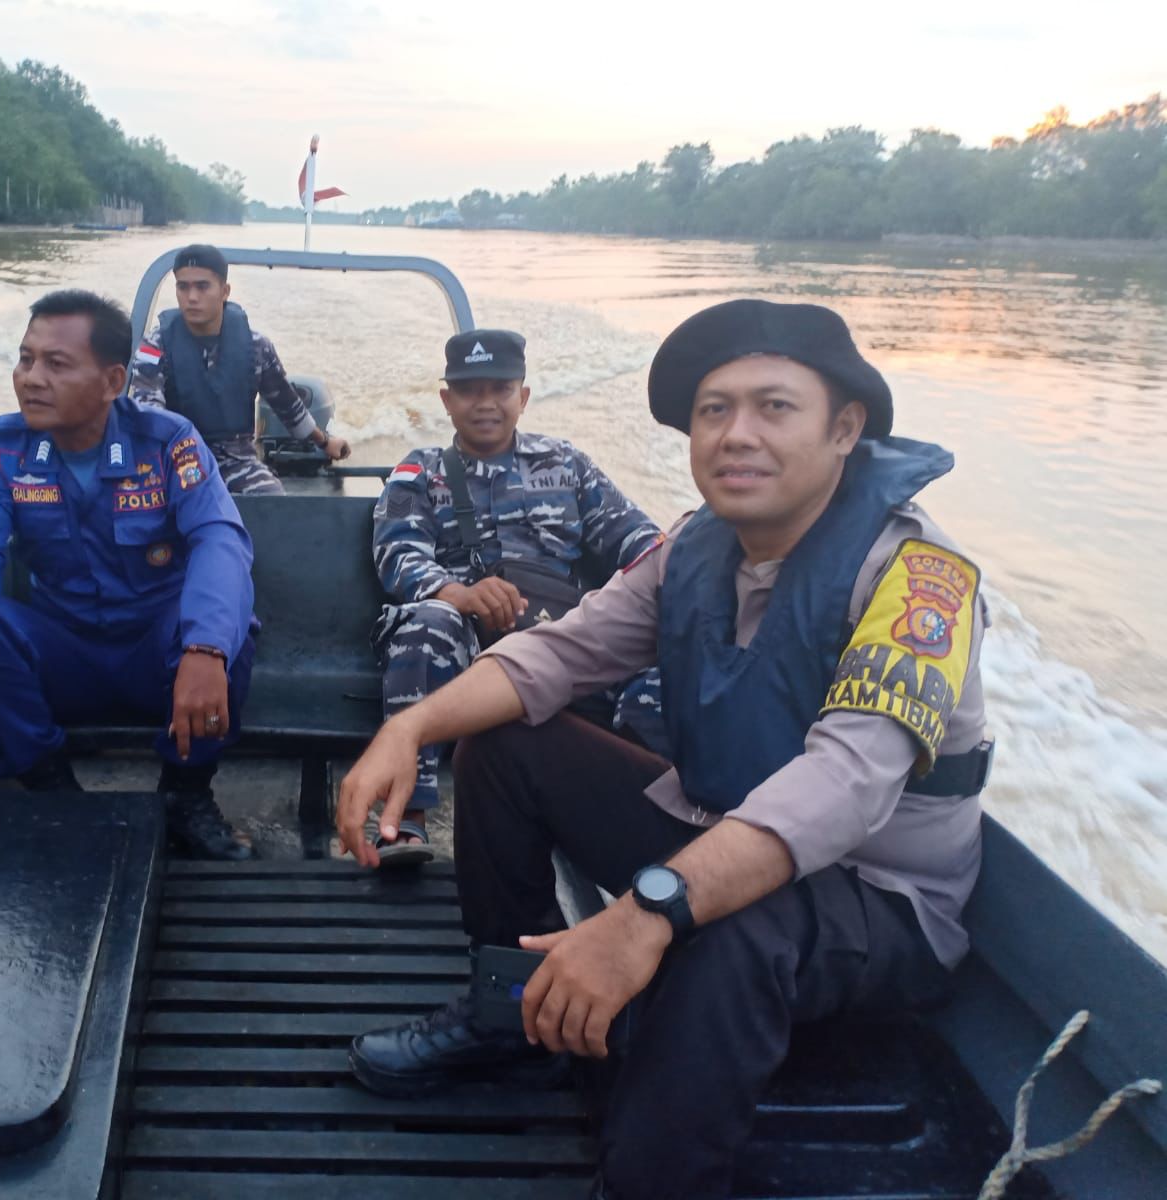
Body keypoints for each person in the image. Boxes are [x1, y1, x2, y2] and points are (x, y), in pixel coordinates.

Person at [338, 299, 994, 1198]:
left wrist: (644, 915)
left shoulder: (918, 578)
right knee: (503, 743)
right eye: (713, 410)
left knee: (731, 928)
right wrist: (407, 727)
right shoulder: (696, 546)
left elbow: (844, 783)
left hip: (878, 899)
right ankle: (512, 1019)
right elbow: (563, 649)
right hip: (715, 830)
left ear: (844, 429)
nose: (735, 435)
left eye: (773, 408)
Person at [0, 288, 258, 861]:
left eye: (56, 364)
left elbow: (220, 539)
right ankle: (54, 791)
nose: (30, 378)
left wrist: (205, 647)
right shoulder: (1, 447)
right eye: (25, 359)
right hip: (63, 651)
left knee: (231, 631)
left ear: (113, 381)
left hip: (157, 655)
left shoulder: (168, 444)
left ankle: (185, 794)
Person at [369, 328, 660, 863]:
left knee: (664, 651)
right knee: (426, 625)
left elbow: (639, 540)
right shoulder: (420, 472)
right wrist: (457, 593)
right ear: (447, 400)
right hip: (464, 636)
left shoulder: (567, 464)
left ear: (522, 397)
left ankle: (647, 814)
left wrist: (685, 583)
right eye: (470, 390)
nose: (485, 403)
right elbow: (398, 554)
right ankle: (404, 816)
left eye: (500, 389)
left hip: (560, 633)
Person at [130, 244, 350, 494]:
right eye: (183, 287)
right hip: (172, 457)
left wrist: (325, 442)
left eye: (202, 286)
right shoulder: (155, 346)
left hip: (236, 461)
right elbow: (148, 414)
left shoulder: (257, 347)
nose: (191, 297)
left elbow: (289, 407)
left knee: (272, 500)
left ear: (224, 291)